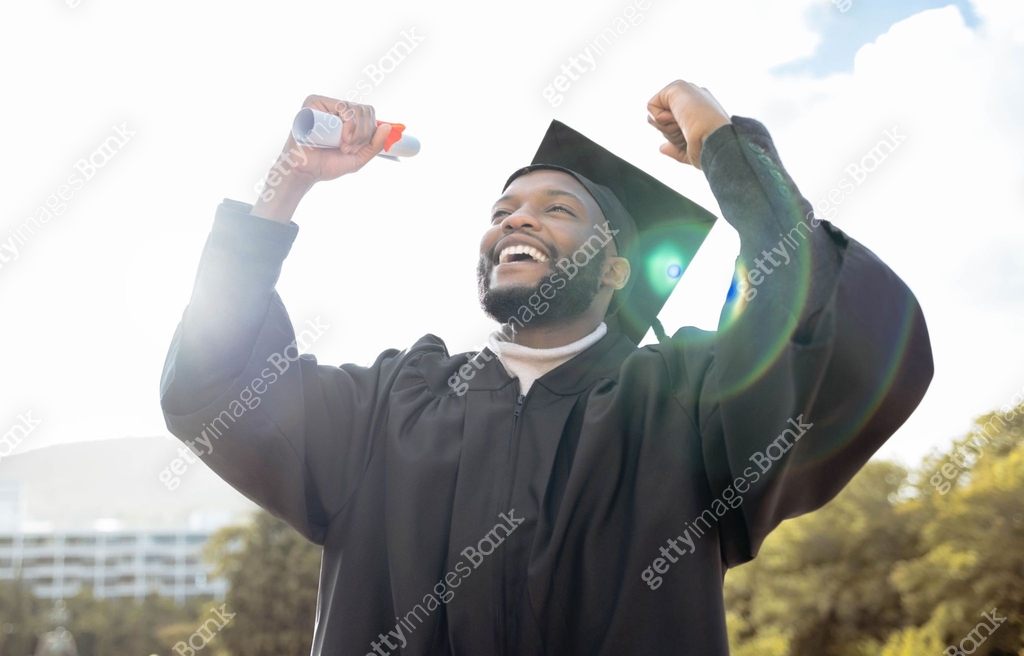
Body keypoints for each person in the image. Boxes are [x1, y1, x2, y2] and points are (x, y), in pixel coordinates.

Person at [159, 80, 933, 655]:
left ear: (616, 270)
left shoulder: (684, 403)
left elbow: (832, 337)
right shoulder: (392, 404)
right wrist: (288, 181)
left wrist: (730, 152)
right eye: (503, 212)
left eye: (558, 209)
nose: (518, 218)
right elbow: (215, 385)